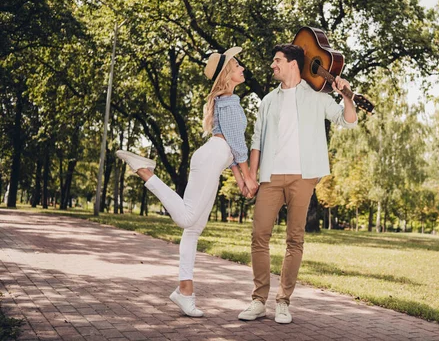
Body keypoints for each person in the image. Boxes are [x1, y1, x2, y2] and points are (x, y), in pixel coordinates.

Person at [116, 47, 258, 317]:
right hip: (212, 158)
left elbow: (231, 146)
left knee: (192, 229)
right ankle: (147, 173)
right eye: (237, 66)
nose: (242, 69)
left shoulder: (227, 100)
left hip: (212, 159)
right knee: (186, 220)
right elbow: (238, 146)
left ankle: (185, 292)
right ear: (228, 73)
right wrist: (249, 177)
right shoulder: (229, 102)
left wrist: (241, 179)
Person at [238, 44, 358, 324]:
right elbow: (256, 141)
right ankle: (258, 300)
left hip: (303, 177)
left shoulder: (317, 97)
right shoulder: (268, 100)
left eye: (277, 60)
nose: (273, 65)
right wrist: (252, 176)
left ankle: (283, 301)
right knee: (259, 235)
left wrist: (346, 96)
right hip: (271, 176)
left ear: (293, 64)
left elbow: (347, 120)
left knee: (295, 239)